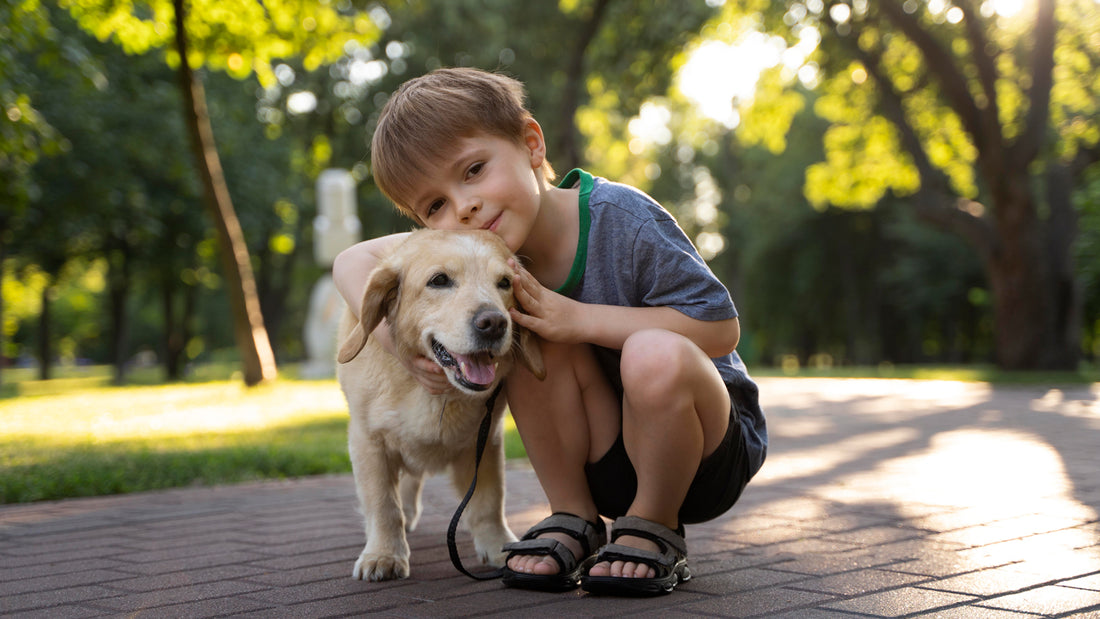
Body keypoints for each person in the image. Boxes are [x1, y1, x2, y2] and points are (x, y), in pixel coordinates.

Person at [333, 67, 767, 596]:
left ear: (532, 144)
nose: (462, 206)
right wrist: (397, 349)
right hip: (606, 457)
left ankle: (654, 526)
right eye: (434, 206)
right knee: (525, 337)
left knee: (650, 352)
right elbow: (352, 260)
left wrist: (579, 318)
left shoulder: (622, 218)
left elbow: (721, 327)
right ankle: (574, 516)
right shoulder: (480, 255)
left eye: (473, 170)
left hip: (706, 454)